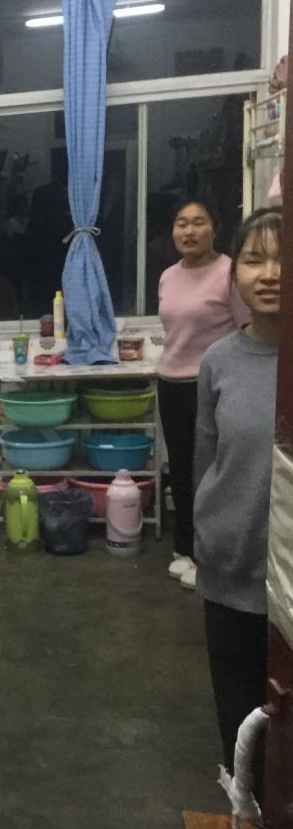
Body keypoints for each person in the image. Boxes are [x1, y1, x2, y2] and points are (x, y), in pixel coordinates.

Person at [194, 208, 282, 799]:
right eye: (254, 260)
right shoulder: (219, 361)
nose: (270, 273)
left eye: (283, 259)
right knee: (238, 706)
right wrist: (206, 539)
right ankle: (245, 812)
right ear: (235, 275)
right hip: (230, 567)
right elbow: (206, 462)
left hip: (290, 577)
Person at [157, 200, 248, 590]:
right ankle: (185, 546)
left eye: (198, 223)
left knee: (211, 470)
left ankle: (209, 554)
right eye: (181, 223)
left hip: (213, 387)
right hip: (170, 383)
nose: (189, 231)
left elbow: (246, 332)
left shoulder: (229, 274)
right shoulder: (168, 276)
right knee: (181, 467)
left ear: (215, 228)